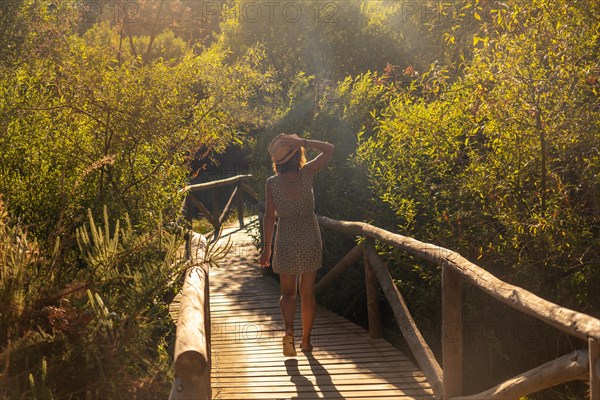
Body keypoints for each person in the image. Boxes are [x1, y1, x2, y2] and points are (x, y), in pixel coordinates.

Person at [259, 133, 334, 357]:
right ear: (297, 154)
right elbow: (329, 148)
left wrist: (267, 248)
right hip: (310, 234)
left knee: (287, 293)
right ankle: (307, 342)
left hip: (286, 238)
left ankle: (289, 331)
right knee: (308, 293)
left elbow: (270, 217)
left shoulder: (272, 183)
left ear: (278, 161)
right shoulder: (308, 173)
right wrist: (303, 142)